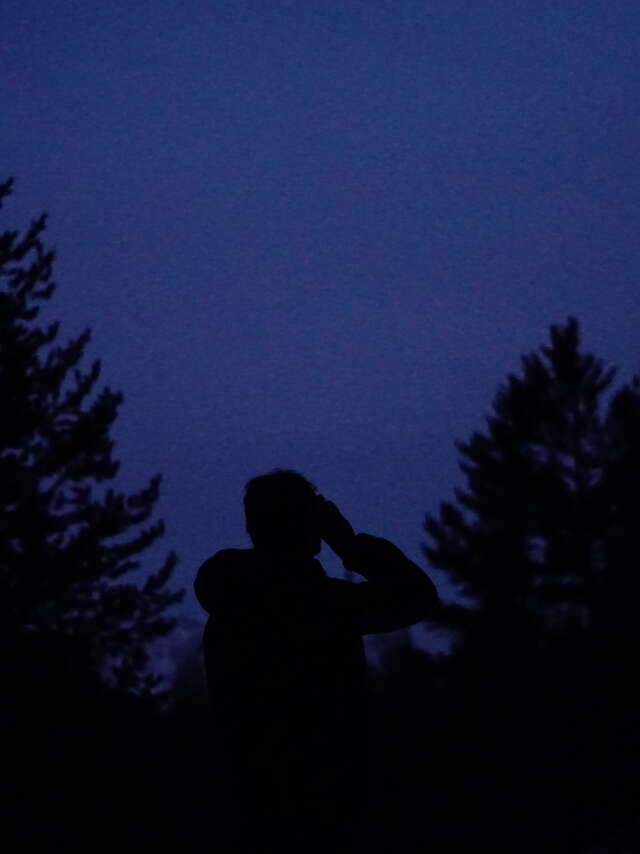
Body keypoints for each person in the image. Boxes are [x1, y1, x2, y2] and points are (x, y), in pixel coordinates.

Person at [194, 469, 439, 852]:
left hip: (246, 800)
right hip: (324, 800)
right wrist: (350, 545)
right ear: (306, 524)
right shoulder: (319, 603)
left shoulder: (231, 601)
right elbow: (416, 596)